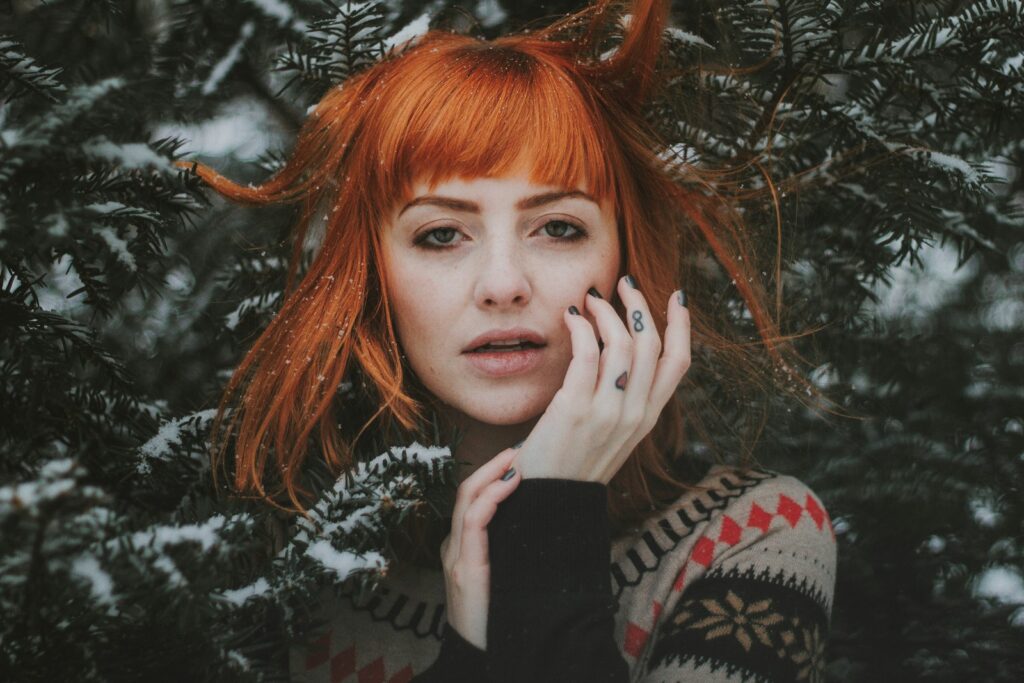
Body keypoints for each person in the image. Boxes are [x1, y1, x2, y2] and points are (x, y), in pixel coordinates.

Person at [179, 1, 838, 681]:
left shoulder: (755, 535)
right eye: (441, 234)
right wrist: (466, 652)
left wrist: (547, 522)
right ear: (376, 278)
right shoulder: (294, 576)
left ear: (624, 257)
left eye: (557, 227)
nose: (502, 284)